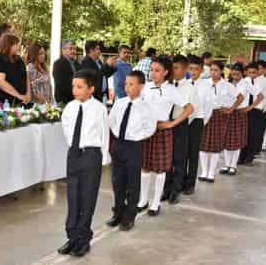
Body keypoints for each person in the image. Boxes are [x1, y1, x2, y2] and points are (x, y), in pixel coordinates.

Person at [58, 69, 109, 257]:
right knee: (73, 197)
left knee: (87, 197)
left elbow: (104, 134)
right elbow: (66, 128)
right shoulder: (70, 107)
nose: (75, 90)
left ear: (91, 89)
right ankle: (72, 236)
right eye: (73, 86)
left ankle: (83, 239)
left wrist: (102, 158)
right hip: (74, 154)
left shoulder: (99, 109)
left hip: (91, 154)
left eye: (79, 87)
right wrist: (73, 147)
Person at [137, 56, 189, 216]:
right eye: (152, 70)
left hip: (162, 130)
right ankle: (143, 200)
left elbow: (189, 108)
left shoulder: (171, 90)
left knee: (160, 169)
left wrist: (172, 123)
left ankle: (155, 202)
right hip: (146, 130)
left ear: (166, 72)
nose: (153, 73)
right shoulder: (145, 87)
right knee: (145, 166)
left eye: (157, 70)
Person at [107, 70, 156, 231]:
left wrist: (136, 136)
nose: (127, 87)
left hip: (134, 146)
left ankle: (130, 216)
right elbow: (112, 121)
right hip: (118, 144)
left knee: (132, 182)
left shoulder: (146, 107)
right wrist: (117, 136)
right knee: (117, 181)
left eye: (131, 84)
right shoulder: (120, 102)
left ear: (141, 86)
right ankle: (118, 212)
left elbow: (150, 127)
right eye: (126, 84)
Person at [198, 61, 243, 183]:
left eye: (216, 70)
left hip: (219, 115)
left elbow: (240, 97)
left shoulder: (227, 85)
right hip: (204, 114)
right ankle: (203, 171)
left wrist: (230, 109)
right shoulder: (203, 83)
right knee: (203, 143)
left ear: (222, 71)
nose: (213, 72)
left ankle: (211, 173)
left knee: (215, 144)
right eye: (211, 70)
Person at [162, 55, 194, 205]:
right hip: (166, 123)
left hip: (180, 124)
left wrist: (175, 123)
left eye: (176, 68)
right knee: (167, 158)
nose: (173, 71)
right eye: (171, 68)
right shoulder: (167, 86)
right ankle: (166, 190)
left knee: (179, 159)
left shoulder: (189, 87)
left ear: (185, 69)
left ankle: (175, 191)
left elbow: (191, 110)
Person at [221, 63, 263, 172]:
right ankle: (226, 164)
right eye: (233, 70)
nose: (235, 73)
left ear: (242, 72)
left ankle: (233, 166)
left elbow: (260, 96)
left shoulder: (246, 84)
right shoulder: (226, 83)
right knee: (226, 140)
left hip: (240, 113)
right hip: (226, 113)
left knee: (236, 140)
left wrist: (249, 108)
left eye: (237, 71)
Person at [183, 55, 214, 195]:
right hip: (184, 120)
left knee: (193, 153)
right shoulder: (185, 83)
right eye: (191, 69)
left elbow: (208, 107)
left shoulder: (207, 86)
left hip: (198, 121)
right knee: (182, 153)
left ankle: (190, 184)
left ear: (201, 70)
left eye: (196, 69)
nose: (193, 72)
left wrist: (202, 122)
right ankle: (181, 181)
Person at [0, 34, 31, 106]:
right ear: (8, 45)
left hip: (22, 101)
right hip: (4, 102)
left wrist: (28, 93)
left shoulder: (18, 59)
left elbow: (26, 76)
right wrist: (18, 95)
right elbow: (0, 82)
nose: (18, 47)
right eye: (16, 44)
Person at [239, 62, 266, 164]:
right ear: (246, 72)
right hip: (244, 110)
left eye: (254, 72)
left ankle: (249, 156)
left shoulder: (260, 83)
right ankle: (241, 156)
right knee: (244, 134)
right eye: (250, 72)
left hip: (255, 111)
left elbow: (261, 98)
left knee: (253, 134)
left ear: (258, 72)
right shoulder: (243, 82)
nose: (252, 74)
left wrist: (252, 108)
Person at [53, 40, 81, 104]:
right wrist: (76, 92)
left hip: (77, 100)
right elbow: (60, 84)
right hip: (63, 100)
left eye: (74, 49)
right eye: (70, 48)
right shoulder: (58, 64)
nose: (73, 51)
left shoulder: (78, 64)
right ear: (63, 50)